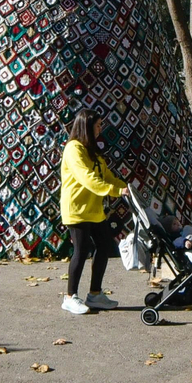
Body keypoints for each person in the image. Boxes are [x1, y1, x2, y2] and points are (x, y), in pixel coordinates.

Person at [58, 110, 128, 315]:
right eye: (97, 125)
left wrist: (127, 188)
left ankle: (95, 294)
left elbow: (107, 176)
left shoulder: (93, 152)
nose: (100, 129)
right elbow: (87, 178)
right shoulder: (73, 149)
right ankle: (70, 297)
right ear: (87, 126)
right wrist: (115, 191)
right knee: (82, 249)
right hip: (76, 209)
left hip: (93, 209)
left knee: (105, 246)